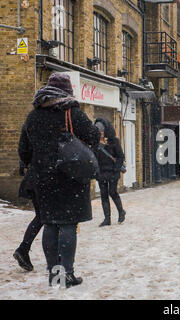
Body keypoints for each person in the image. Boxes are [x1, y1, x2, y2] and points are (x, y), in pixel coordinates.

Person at [20, 73, 100, 288]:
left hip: (43, 178)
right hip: (69, 177)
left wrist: (38, 162)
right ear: (67, 91)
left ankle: (54, 275)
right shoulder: (71, 112)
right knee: (67, 225)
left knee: (50, 224)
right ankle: (68, 274)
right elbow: (93, 137)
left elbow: (24, 150)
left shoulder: (33, 116)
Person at [13, 125, 43, 272]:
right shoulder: (54, 122)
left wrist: (25, 163)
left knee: (42, 216)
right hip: (45, 177)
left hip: (32, 176)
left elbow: (22, 151)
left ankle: (23, 249)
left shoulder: (29, 124)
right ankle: (57, 259)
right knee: (48, 217)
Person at [94, 118, 126, 227]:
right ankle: (107, 219)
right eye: (98, 132)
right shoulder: (96, 143)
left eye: (102, 132)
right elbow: (94, 158)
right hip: (101, 172)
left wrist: (116, 169)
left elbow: (120, 156)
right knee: (103, 195)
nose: (100, 134)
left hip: (112, 172)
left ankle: (121, 212)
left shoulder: (114, 141)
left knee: (112, 192)